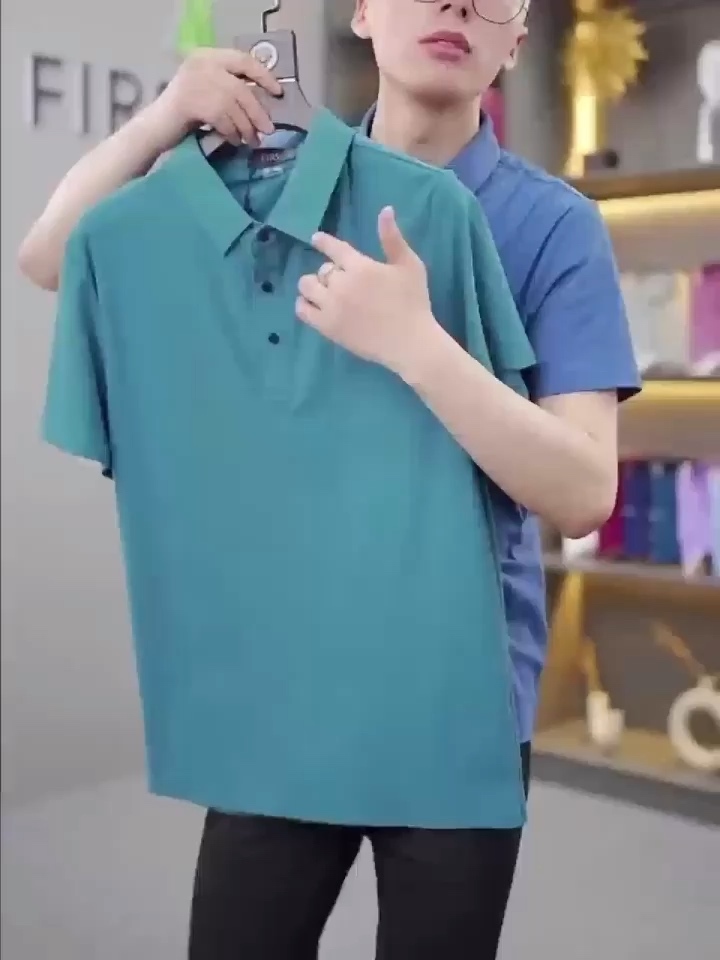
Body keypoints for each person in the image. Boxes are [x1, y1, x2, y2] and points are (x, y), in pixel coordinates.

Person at [19, 1, 640, 957]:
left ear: (519, 35)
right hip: (280, 688)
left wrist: (418, 346)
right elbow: (54, 255)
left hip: (455, 702)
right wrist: (162, 120)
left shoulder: (553, 227)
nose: (457, 4)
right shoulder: (263, 180)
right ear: (362, 11)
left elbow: (584, 491)